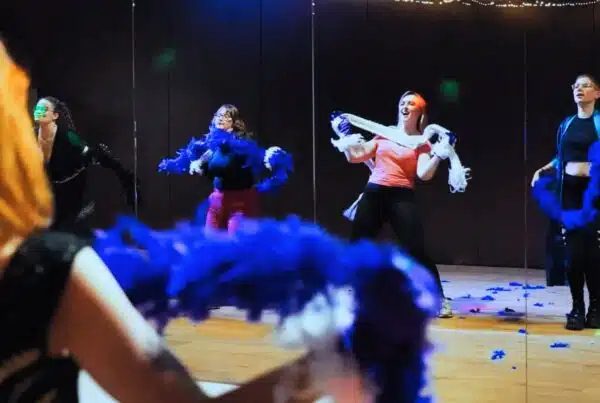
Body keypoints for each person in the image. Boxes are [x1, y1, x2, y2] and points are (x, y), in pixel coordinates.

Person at [0, 41, 209, 403]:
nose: (36, 111)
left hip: (61, 209)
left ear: (55, 115)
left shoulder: (68, 139)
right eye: (34, 107)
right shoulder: (31, 140)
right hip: (39, 219)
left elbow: (89, 158)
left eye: (43, 108)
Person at [331, 91, 455, 319]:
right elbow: (356, 157)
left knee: (415, 249)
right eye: (402, 102)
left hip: (401, 196)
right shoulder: (384, 134)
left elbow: (424, 174)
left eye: (411, 103)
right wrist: (344, 136)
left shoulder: (421, 143)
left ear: (420, 112)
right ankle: (352, 295)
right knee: (359, 244)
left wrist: (439, 154)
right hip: (375, 192)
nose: (405, 106)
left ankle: (438, 300)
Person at [531, 73, 600, 331]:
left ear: (597, 93)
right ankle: (577, 307)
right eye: (576, 86)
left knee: (593, 253)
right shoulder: (567, 124)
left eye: (585, 85)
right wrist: (543, 169)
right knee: (573, 253)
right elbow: (561, 156)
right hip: (569, 192)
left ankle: (596, 308)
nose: (579, 89)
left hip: (594, 193)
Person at [158, 104, 292, 234]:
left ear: (234, 122)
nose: (220, 118)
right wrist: (196, 163)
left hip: (240, 203)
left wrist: (273, 158)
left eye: (226, 116)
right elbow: (204, 159)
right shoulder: (212, 145)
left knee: (236, 243)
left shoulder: (243, 144)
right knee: (210, 241)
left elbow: (260, 156)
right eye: (218, 115)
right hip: (217, 201)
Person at [33, 96, 140, 236]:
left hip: (70, 189)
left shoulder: (68, 136)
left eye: (44, 109)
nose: (39, 111)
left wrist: (121, 173)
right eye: (37, 108)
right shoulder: (30, 136)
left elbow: (88, 153)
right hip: (46, 192)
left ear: (55, 115)